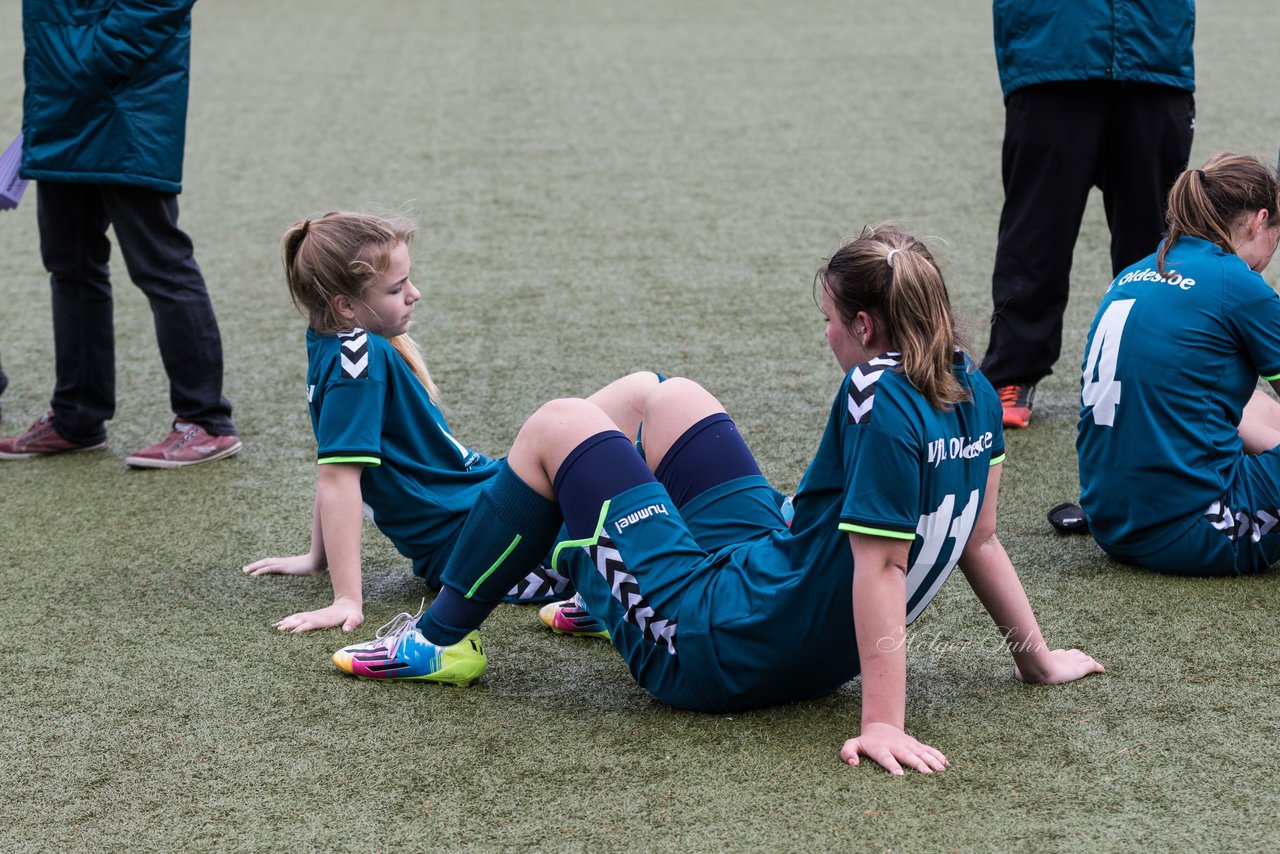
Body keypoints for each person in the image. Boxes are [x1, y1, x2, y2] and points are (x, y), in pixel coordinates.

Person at [331, 224, 1103, 775]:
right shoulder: (966, 380)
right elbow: (980, 538)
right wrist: (1033, 659)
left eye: (830, 322)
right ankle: (601, 589)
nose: (826, 337)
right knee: (660, 397)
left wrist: (881, 724)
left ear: (865, 324)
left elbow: (883, 572)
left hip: (715, 648)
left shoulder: (874, 392)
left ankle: (439, 640)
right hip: (782, 609)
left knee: (556, 425)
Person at [244, 211, 661, 633]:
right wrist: (345, 599)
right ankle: (619, 593)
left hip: (489, 494)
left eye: (408, 280)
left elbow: (333, 454)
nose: (414, 293)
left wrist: (318, 557)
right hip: (477, 540)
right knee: (643, 514)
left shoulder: (334, 343)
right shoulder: (356, 361)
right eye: (396, 288)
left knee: (644, 394)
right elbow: (337, 477)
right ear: (346, 305)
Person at [0, 0, 240, 467]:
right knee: (69, 266)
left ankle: (207, 422)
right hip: (61, 104)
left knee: (160, 263)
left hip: (121, 103)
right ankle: (77, 417)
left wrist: (95, 59)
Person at [982, 0, 1196, 428]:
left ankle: (1157, 370)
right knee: (1036, 233)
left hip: (1154, 49)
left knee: (1157, 237)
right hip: (1053, 48)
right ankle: (1013, 372)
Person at [1078, 153, 1280, 576]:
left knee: (1253, 403)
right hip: (1195, 530)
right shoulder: (1240, 284)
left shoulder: (1136, 270)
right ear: (1260, 220)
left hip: (1112, 523)